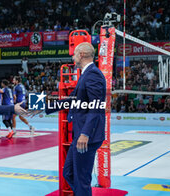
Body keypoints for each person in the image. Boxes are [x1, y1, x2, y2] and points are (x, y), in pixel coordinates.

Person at [44, 42, 106, 196]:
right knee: (69, 173)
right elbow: (70, 100)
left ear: (82, 54)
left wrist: (85, 134)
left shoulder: (93, 74)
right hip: (80, 134)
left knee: (81, 179)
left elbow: (96, 107)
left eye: (74, 53)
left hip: (86, 136)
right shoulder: (86, 74)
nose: (72, 57)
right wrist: (40, 107)